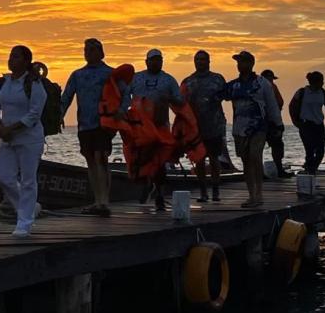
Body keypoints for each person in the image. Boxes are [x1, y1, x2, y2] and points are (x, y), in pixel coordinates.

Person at [0, 45, 47, 238]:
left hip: (29, 139)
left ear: (25, 61)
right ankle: (31, 207)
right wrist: (0, 127)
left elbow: (34, 114)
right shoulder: (2, 83)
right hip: (7, 139)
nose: (11, 60)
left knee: (28, 180)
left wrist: (11, 128)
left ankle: (24, 223)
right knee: (3, 176)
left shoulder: (34, 84)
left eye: (15, 57)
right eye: (10, 56)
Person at [120, 49, 183, 210]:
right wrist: (121, 113)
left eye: (159, 60)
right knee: (141, 159)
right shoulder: (137, 78)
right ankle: (146, 184)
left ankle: (160, 195)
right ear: (146, 61)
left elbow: (179, 101)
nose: (156, 62)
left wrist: (168, 99)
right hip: (140, 129)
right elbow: (126, 96)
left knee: (160, 162)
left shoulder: (168, 80)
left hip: (161, 127)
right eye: (153, 60)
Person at [60, 38, 115, 217]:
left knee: (102, 157)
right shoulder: (77, 75)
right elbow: (67, 96)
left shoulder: (110, 73)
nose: (88, 53)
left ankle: (104, 200)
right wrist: (59, 115)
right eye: (86, 50)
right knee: (90, 159)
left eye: (92, 49)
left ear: (101, 52)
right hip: (84, 123)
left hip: (103, 123)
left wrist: (121, 114)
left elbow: (123, 95)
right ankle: (96, 200)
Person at [225, 51, 282, 208]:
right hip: (239, 129)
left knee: (255, 156)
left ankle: (259, 194)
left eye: (242, 61)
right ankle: (251, 195)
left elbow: (272, 105)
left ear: (250, 64)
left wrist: (278, 124)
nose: (239, 65)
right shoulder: (233, 85)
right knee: (246, 161)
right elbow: (218, 96)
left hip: (259, 127)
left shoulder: (262, 83)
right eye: (238, 62)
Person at [181, 50, 227, 202]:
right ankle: (203, 192)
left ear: (209, 61)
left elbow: (227, 98)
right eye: (197, 59)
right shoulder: (187, 82)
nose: (200, 62)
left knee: (214, 159)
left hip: (214, 126)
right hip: (195, 129)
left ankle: (215, 190)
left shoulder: (218, 79)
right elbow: (181, 105)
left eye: (203, 59)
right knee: (199, 160)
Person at [289, 71, 325, 175]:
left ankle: (311, 167)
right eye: (321, 81)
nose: (323, 83)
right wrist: (294, 121)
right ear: (314, 82)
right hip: (305, 123)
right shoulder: (302, 92)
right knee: (309, 149)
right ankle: (310, 171)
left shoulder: (323, 93)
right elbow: (291, 106)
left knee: (320, 150)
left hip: (319, 124)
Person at [261, 69, 291, 178]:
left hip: (272, 122)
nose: (271, 81)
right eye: (270, 78)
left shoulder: (272, 87)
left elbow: (279, 103)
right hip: (266, 122)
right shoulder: (265, 88)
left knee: (277, 146)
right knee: (263, 146)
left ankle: (278, 169)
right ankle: (263, 171)